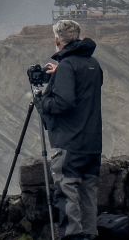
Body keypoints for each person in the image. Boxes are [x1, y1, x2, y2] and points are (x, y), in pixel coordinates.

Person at [34, 20, 103, 240]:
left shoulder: (67, 66)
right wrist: (60, 74)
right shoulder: (93, 64)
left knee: (67, 192)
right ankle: (90, 235)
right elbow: (83, 91)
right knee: (88, 193)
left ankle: (72, 237)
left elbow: (63, 103)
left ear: (57, 40)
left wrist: (41, 102)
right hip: (92, 143)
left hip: (69, 143)